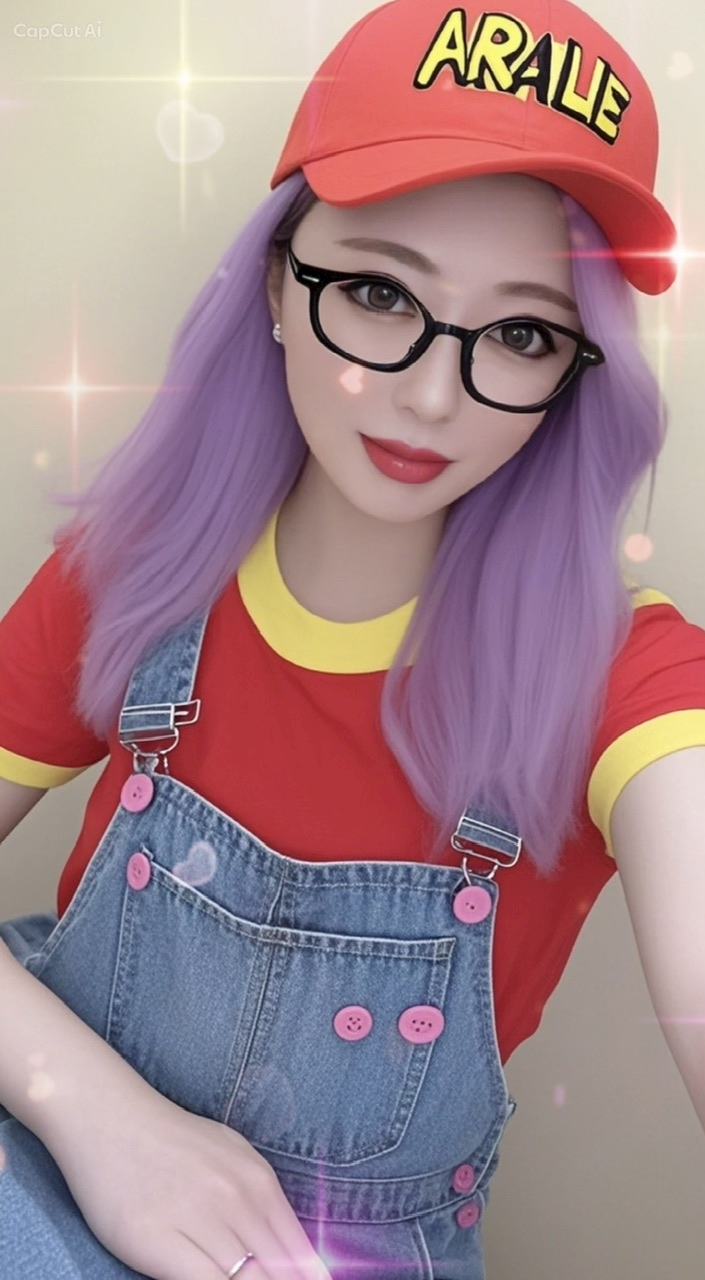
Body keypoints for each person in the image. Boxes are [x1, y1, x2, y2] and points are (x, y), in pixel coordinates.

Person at [0, 0, 704, 1276]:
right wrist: (95, 1112)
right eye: (379, 292)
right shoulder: (132, 578)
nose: (432, 395)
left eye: (523, 333)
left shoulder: (629, 682)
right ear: (278, 280)